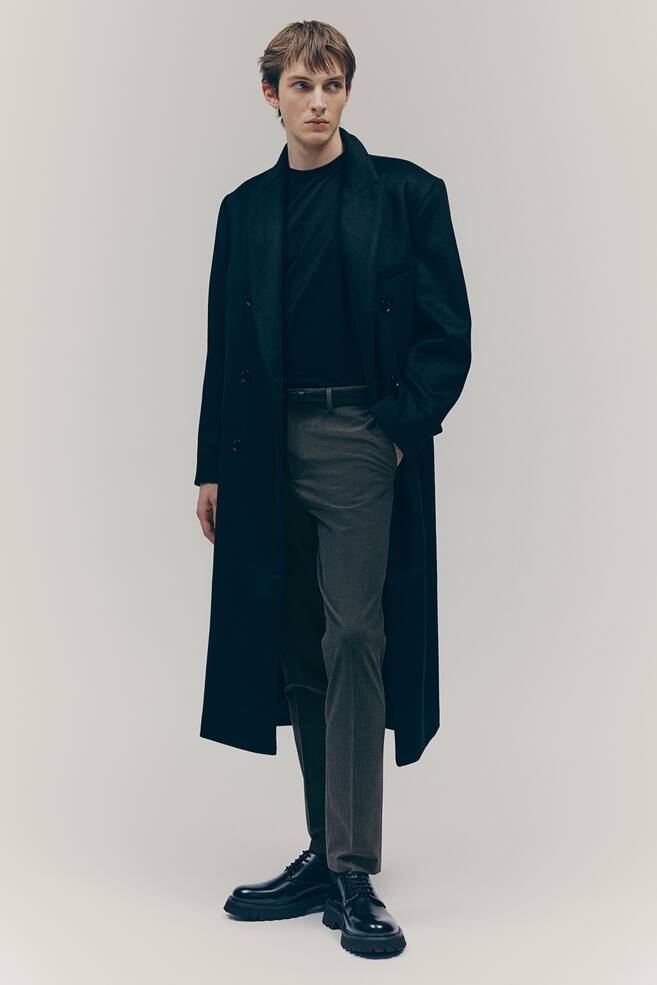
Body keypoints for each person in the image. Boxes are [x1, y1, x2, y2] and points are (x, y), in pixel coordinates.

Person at [194, 20, 472, 958]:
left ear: (347, 92)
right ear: (269, 94)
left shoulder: (405, 193)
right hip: (262, 445)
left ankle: (353, 868)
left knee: (354, 635)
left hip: (359, 434)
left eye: (332, 85)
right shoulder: (244, 210)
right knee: (299, 649)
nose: (318, 102)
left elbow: (447, 332)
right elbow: (224, 344)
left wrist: (396, 428)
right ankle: (322, 848)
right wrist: (213, 463)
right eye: (301, 86)